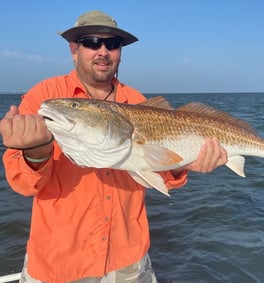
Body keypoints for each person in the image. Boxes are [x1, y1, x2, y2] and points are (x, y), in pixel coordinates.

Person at [0, 10, 227, 283]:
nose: (103, 51)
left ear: (120, 52)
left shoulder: (137, 101)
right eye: (92, 42)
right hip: (58, 263)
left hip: (128, 261)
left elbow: (161, 172)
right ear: (74, 49)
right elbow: (23, 184)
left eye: (112, 44)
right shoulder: (45, 98)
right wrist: (35, 152)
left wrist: (186, 164)